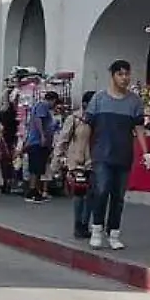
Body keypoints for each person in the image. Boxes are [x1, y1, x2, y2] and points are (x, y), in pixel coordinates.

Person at [85, 60, 150, 250]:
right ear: (113, 75)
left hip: (123, 155)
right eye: (120, 74)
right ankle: (97, 229)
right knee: (101, 191)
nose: (125, 78)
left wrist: (146, 152)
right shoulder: (98, 99)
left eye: (127, 74)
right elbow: (86, 128)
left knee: (118, 197)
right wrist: (82, 153)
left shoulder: (134, 102)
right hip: (101, 155)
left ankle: (113, 232)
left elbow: (139, 128)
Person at [53, 91, 96, 239]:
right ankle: (78, 224)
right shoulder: (75, 119)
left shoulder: (99, 120)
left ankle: (85, 223)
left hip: (95, 162)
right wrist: (57, 161)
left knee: (92, 194)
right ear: (85, 104)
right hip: (78, 162)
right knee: (80, 193)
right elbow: (63, 140)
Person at [22, 91, 59, 202]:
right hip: (37, 142)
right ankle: (32, 191)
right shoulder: (42, 106)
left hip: (39, 142)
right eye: (55, 102)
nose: (54, 105)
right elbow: (39, 120)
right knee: (36, 168)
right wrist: (42, 135)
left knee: (38, 168)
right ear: (52, 100)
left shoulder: (43, 108)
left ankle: (35, 190)